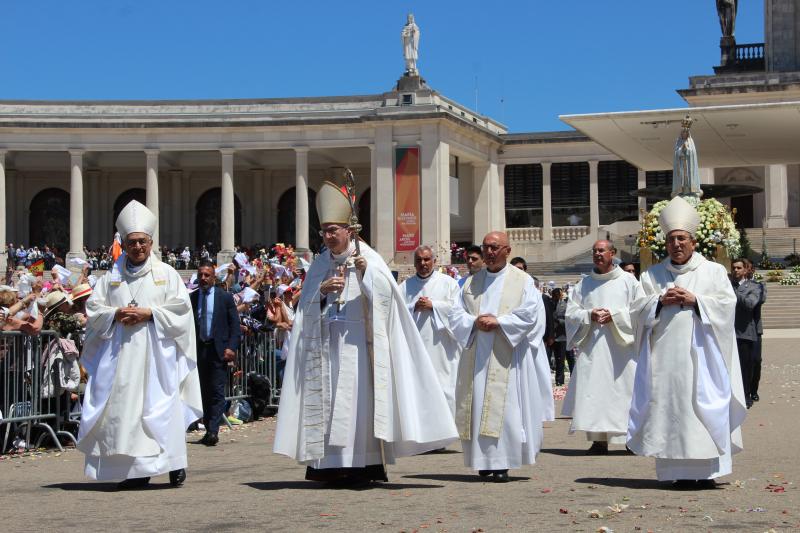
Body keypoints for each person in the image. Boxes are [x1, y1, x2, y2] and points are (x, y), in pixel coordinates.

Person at [273, 181, 457, 485]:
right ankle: (327, 466)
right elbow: (304, 307)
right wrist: (320, 292)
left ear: (349, 231)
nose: (329, 237)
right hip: (327, 347)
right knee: (329, 404)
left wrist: (366, 274)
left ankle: (361, 465)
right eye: (325, 231)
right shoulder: (320, 264)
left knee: (357, 404)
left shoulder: (368, 258)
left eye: (334, 230)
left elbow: (389, 302)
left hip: (360, 347)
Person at [77, 200, 202, 490]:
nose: (137, 247)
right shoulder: (110, 278)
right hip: (121, 359)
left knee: (162, 408)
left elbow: (182, 310)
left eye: (142, 242)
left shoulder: (167, 274)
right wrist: (115, 313)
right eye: (131, 242)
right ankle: (135, 470)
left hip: (158, 356)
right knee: (126, 414)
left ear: (151, 242)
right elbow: (94, 310)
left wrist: (149, 313)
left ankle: (174, 464)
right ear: (123, 243)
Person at [627, 196, 747, 488]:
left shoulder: (713, 271)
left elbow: (727, 306)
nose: (676, 244)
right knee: (671, 409)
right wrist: (658, 300)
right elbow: (635, 310)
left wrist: (696, 301)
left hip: (703, 356)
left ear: (694, 242)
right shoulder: (653, 275)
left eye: (681, 238)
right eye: (671, 239)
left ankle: (706, 472)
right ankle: (675, 472)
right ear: (665, 244)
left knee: (701, 404)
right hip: (665, 357)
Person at [449, 231, 546, 483]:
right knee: (479, 404)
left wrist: (500, 322)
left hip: (507, 353)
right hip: (478, 352)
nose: (489, 252)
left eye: (495, 247)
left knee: (506, 407)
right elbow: (454, 313)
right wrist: (474, 321)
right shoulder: (471, 282)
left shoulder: (522, 281)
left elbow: (530, 313)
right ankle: (483, 461)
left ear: (507, 250)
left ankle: (502, 462)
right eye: (486, 247)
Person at [562, 240, 643, 454]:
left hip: (622, 349)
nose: (598, 254)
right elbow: (571, 313)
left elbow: (639, 311)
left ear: (613, 253)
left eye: (602, 250)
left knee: (623, 391)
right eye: (595, 251)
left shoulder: (629, 281)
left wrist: (614, 316)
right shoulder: (585, 284)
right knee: (595, 392)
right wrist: (590, 314)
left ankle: (629, 438)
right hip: (594, 347)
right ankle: (598, 440)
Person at [399, 245, 461, 416]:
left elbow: (458, 312)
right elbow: (396, 312)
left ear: (435, 261)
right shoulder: (405, 286)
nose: (423, 263)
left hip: (441, 346)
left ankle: (444, 429)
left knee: (443, 386)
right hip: (416, 346)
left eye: (426, 259)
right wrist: (413, 306)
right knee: (419, 387)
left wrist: (434, 305)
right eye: (418, 260)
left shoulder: (449, 283)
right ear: (414, 263)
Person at [190, 260, 241, 446]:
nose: (203, 278)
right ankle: (207, 427)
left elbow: (235, 325)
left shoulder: (224, 297)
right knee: (202, 390)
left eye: (207, 275)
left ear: (213, 277)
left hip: (218, 350)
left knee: (217, 391)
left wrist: (231, 347)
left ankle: (213, 431)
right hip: (199, 350)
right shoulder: (193, 298)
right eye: (200, 275)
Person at [730, 258, 760, 409]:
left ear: (745, 270)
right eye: (733, 268)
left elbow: (750, 304)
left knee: (746, 366)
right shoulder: (726, 285)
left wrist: (733, 292)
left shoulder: (753, 287)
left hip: (744, 332)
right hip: (727, 332)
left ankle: (747, 394)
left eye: (739, 268)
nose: (735, 270)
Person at [747, 259, 766, 403]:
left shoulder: (760, 285)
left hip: (754, 328)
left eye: (747, 267)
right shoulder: (732, 285)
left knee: (755, 361)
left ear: (752, 270)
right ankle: (745, 391)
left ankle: (754, 389)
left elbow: (758, 300)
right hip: (738, 329)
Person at [551, 288, 574, 386]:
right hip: (555, 337)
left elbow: (569, 321)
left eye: (558, 295)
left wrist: (559, 321)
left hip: (565, 336)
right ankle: (559, 380)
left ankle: (574, 378)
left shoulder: (565, 306)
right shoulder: (550, 305)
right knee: (559, 359)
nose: (556, 297)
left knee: (570, 358)